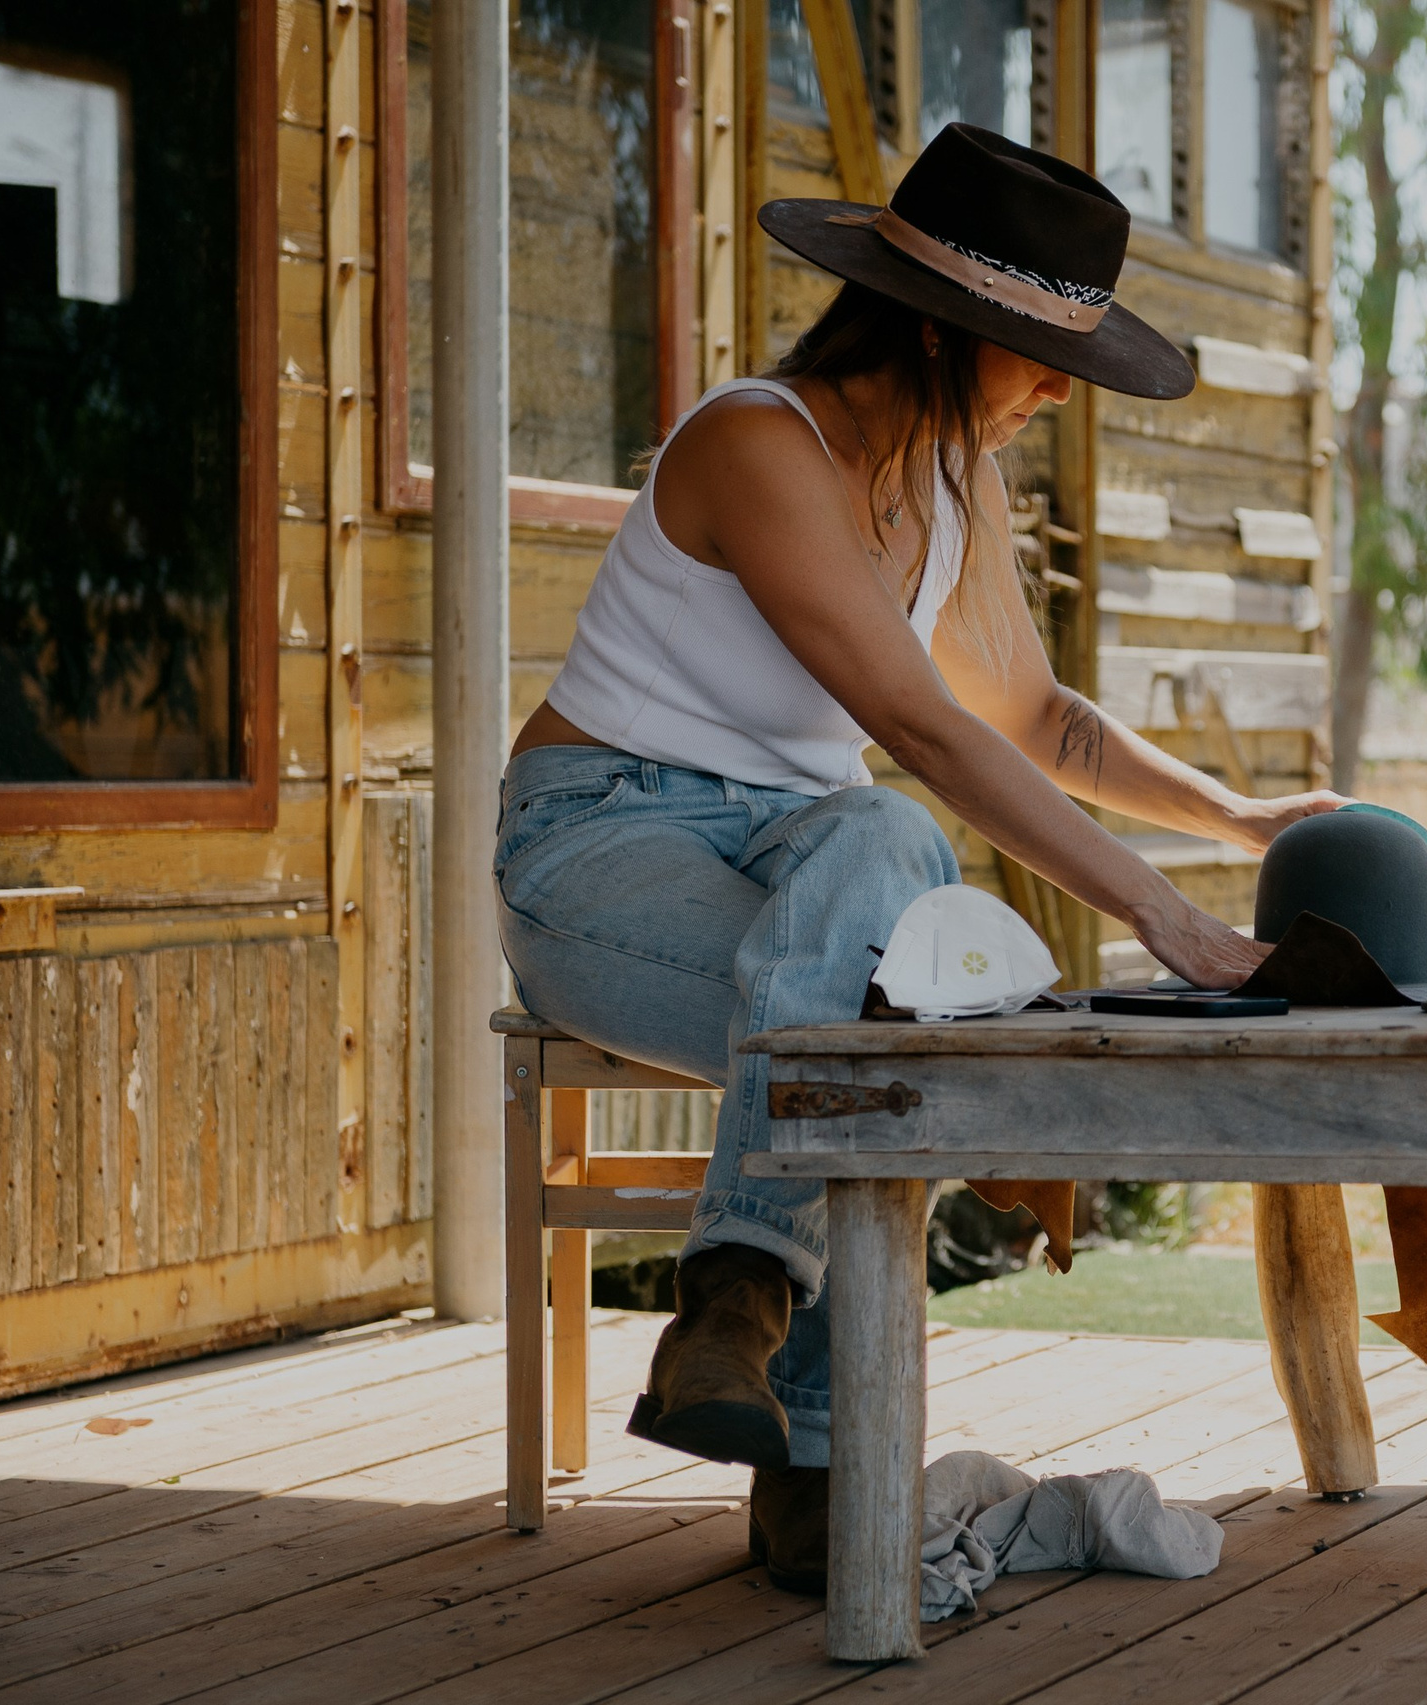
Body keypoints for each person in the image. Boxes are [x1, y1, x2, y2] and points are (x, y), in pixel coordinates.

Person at [494, 123, 1342, 1589]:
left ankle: (748, 1345)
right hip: (600, 842)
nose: (1050, 398)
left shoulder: (958, 485)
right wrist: (1162, 919)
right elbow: (920, 722)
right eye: (1038, 359)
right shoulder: (760, 443)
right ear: (950, 333)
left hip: (804, 867)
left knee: (886, 848)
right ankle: (789, 1396)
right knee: (891, 955)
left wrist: (1243, 823)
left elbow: (1038, 724)